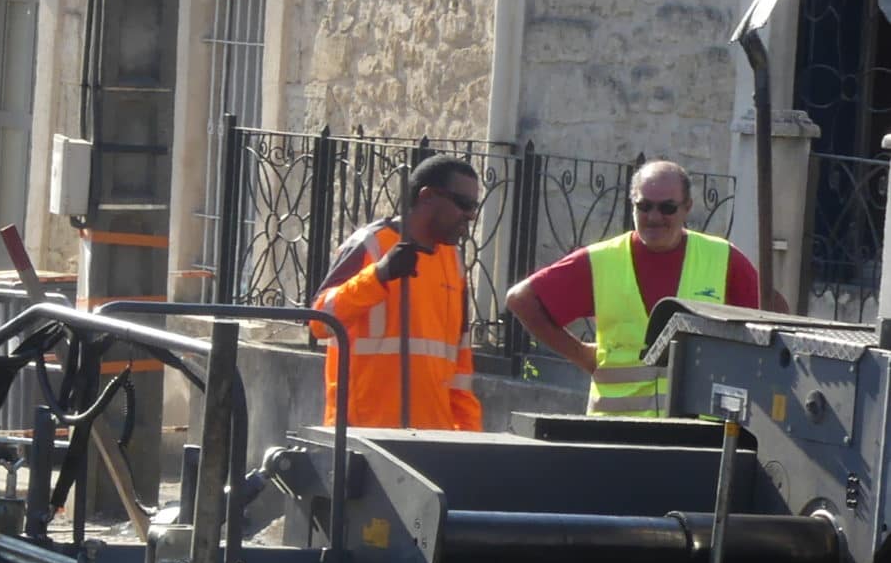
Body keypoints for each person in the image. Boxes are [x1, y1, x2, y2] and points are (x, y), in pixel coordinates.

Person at [504, 160, 769, 416]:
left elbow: (771, 318)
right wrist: (582, 355)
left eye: (667, 207)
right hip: (615, 437)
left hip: (696, 433)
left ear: (687, 208)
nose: (654, 217)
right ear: (632, 206)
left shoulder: (721, 258)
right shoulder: (601, 261)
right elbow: (521, 299)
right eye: (644, 206)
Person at [312, 155, 486, 432]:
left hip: (433, 439)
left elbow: (461, 367)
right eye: (463, 204)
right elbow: (320, 321)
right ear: (427, 196)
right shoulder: (370, 244)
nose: (471, 215)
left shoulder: (453, 263)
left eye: (474, 206)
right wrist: (379, 275)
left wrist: (471, 440)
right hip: (363, 436)